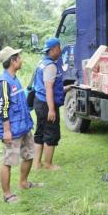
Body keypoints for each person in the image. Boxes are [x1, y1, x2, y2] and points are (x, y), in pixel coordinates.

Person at [0, 46, 40, 204]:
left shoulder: (14, 79)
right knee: (8, 161)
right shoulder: (3, 82)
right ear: (13, 61)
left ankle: (24, 183)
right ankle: (7, 194)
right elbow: (2, 108)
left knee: (29, 155)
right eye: (19, 57)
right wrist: (6, 131)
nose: (21, 59)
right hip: (11, 130)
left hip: (23, 126)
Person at [33, 38, 71, 170]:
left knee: (40, 132)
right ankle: (48, 164)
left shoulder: (42, 63)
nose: (60, 50)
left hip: (39, 101)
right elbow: (49, 88)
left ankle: (37, 163)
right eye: (59, 48)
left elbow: (45, 86)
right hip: (47, 104)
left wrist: (68, 87)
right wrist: (51, 109)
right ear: (54, 49)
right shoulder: (51, 66)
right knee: (51, 132)